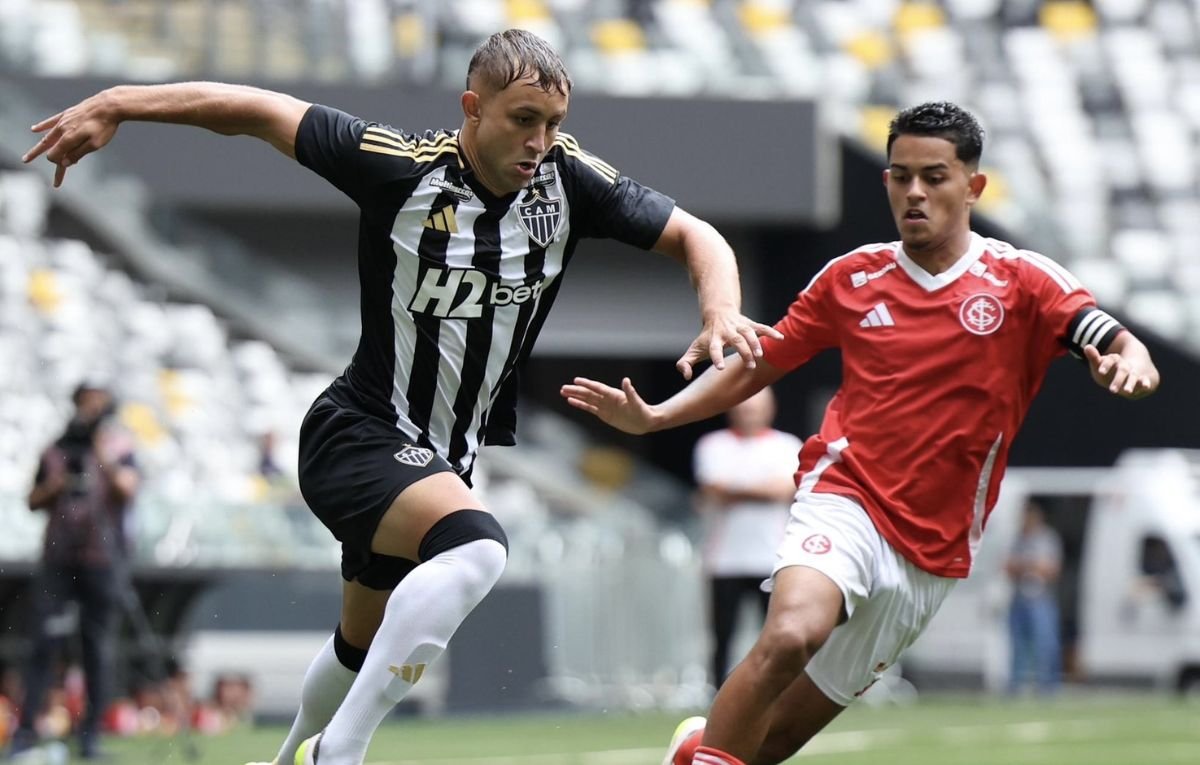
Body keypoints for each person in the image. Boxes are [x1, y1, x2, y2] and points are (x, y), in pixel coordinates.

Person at [23, 29, 780, 765]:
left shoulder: (568, 181)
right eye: (523, 119)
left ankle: (289, 757)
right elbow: (257, 110)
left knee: (360, 643)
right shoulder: (398, 167)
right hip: (359, 432)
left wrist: (719, 310)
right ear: (472, 108)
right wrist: (118, 102)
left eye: (554, 123)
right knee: (478, 549)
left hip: (440, 458)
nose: (540, 141)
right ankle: (340, 752)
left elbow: (699, 236)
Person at [560, 101, 1161, 765]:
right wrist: (658, 416)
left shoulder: (1023, 281)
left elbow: (1115, 339)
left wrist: (1130, 363)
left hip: (932, 552)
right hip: (846, 496)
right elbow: (759, 362)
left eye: (933, 176)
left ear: (974, 186)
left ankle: (697, 750)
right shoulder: (852, 276)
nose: (914, 192)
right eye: (900, 176)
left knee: (774, 739)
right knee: (791, 634)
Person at [11, 381, 140, 760]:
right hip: (58, 558)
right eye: (87, 403)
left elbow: (128, 490)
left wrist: (101, 454)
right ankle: (27, 730)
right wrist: (59, 482)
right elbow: (32, 500)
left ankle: (90, 735)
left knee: (97, 647)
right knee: (43, 643)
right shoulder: (56, 449)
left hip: (102, 561)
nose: (92, 411)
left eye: (98, 403)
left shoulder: (118, 448)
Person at [692, 388, 799, 688]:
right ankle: (717, 694)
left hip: (772, 558)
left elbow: (784, 490)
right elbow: (713, 488)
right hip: (724, 560)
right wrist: (761, 490)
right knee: (722, 635)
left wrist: (734, 489)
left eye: (754, 408)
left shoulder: (786, 445)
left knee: (777, 633)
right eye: (744, 408)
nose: (749, 414)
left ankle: (775, 693)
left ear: (770, 409)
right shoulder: (713, 445)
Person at [1004, 501, 1063, 695]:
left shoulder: (1047, 539)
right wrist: (1030, 564)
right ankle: (1016, 686)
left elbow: (1052, 569)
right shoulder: (1017, 539)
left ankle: (1047, 687)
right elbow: (1007, 566)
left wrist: (1028, 565)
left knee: (1045, 645)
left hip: (1041, 599)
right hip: (1019, 598)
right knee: (1018, 646)